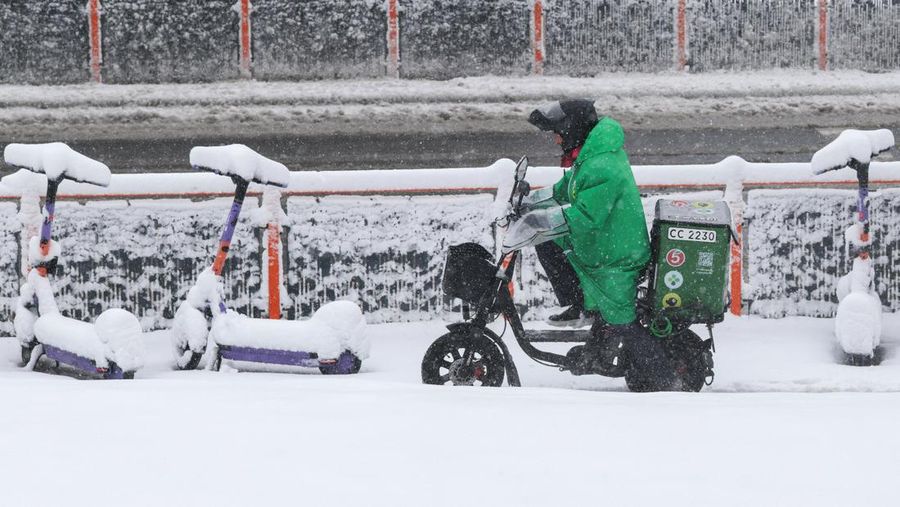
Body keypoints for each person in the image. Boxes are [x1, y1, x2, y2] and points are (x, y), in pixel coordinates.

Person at [504, 99, 674, 390]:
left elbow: (586, 216)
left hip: (616, 256)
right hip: (605, 244)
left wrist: (540, 221)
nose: (556, 140)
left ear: (572, 130)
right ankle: (580, 304)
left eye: (558, 133)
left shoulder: (601, 165)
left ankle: (664, 379)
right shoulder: (592, 156)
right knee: (548, 241)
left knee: (623, 321)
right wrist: (529, 203)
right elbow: (563, 190)